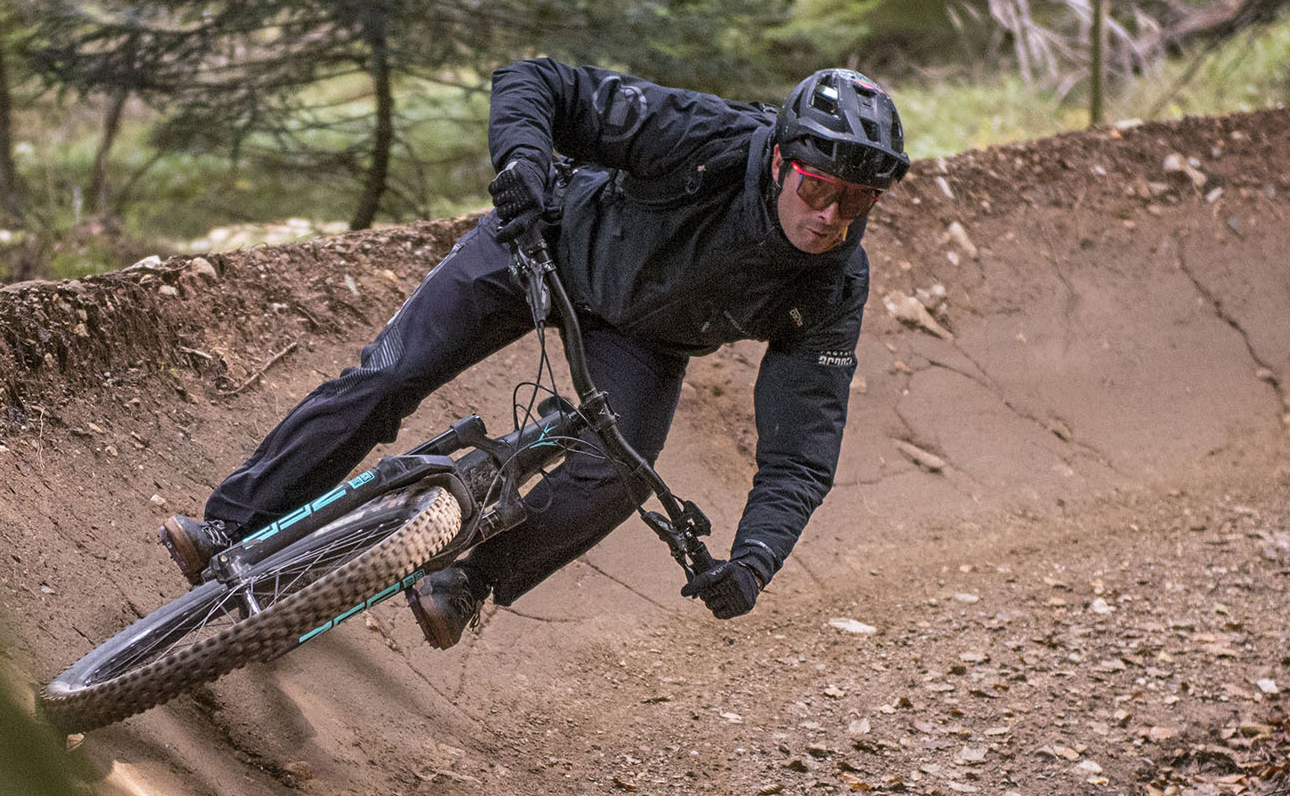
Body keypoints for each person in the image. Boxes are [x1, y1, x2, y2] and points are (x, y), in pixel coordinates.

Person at [159, 60, 908, 648]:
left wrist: (752, 562)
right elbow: (537, 80)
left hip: (643, 341)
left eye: (857, 202)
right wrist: (521, 165)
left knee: (621, 475)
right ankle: (233, 525)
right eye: (818, 188)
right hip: (541, 243)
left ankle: (470, 583)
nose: (831, 216)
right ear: (781, 160)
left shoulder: (833, 283)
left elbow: (800, 452)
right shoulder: (705, 137)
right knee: (391, 375)